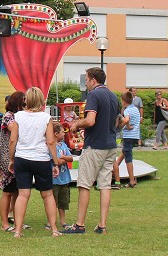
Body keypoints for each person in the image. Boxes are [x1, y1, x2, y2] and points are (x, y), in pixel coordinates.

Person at [65, 67, 120, 235]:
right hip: (110, 145)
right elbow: (118, 122)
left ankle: (79, 225)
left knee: (84, 184)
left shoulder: (94, 95)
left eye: (87, 80)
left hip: (95, 145)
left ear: (93, 80)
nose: (86, 83)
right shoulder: (113, 96)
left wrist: (76, 125)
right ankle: (102, 225)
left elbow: (90, 121)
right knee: (105, 185)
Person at [7, 86, 59, 238]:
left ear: (26, 100)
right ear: (41, 101)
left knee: (23, 195)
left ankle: (17, 230)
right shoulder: (45, 117)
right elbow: (50, 142)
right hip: (41, 159)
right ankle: (54, 229)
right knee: (48, 195)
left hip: (22, 158)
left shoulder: (18, 116)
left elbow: (12, 140)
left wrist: (11, 159)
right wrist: (55, 162)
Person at [0, 91, 25, 232]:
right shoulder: (8, 117)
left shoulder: (20, 116)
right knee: (7, 191)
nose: (26, 104)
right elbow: (15, 131)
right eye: (24, 102)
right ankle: (4, 223)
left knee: (17, 190)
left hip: (19, 157)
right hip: (7, 158)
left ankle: (17, 220)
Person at [50, 122, 74, 232]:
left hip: (65, 179)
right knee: (53, 201)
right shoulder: (51, 146)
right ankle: (52, 221)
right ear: (55, 134)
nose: (64, 134)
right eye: (62, 132)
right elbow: (57, 162)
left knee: (63, 202)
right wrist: (64, 159)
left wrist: (63, 157)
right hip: (54, 180)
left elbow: (71, 158)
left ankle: (63, 221)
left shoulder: (64, 145)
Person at [113, 96, 141, 188]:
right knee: (125, 152)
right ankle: (114, 168)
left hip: (128, 135)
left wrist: (127, 126)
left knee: (128, 158)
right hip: (135, 135)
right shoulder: (135, 109)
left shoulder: (127, 110)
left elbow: (126, 120)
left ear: (124, 102)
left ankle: (132, 181)